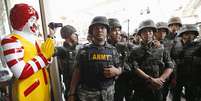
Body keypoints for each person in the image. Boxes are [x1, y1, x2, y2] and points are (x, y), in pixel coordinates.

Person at [1, 3, 54, 101]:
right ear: (21, 20)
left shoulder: (35, 38)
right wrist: (44, 56)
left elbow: (43, 62)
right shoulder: (10, 40)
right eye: (32, 20)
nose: (36, 24)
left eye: (35, 20)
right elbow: (20, 72)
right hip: (28, 92)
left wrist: (47, 58)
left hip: (44, 86)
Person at [68, 16, 122, 101]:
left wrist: (117, 71)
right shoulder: (83, 51)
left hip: (108, 94)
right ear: (92, 31)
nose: (99, 30)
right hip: (88, 95)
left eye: (102, 28)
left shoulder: (113, 50)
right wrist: (71, 93)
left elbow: (119, 67)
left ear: (107, 31)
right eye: (96, 28)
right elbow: (77, 72)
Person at [128, 19, 174, 101]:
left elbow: (169, 65)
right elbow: (134, 67)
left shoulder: (161, 48)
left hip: (157, 87)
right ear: (140, 34)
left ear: (153, 33)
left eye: (150, 31)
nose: (147, 34)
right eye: (144, 32)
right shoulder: (135, 50)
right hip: (141, 87)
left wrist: (161, 79)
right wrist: (150, 79)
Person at [171, 24, 201, 101]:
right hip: (178, 75)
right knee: (175, 95)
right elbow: (171, 59)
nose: (190, 36)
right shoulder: (176, 45)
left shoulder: (198, 46)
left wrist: (192, 59)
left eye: (192, 34)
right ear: (182, 35)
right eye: (187, 34)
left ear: (195, 35)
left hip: (192, 77)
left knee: (191, 97)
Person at [107, 18, 132, 101]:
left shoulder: (123, 47)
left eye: (119, 30)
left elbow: (130, 65)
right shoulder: (100, 47)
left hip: (121, 85)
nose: (118, 33)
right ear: (107, 32)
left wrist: (119, 70)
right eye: (114, 30)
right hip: (105, 87)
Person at [55, 25, 81, 100]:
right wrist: (51, 35)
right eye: (74, 33)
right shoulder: (62, 50)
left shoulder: (80, 48)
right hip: (71, 92)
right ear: (68, 35)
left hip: (83, 90)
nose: (76, 35)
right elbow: (50, 50)